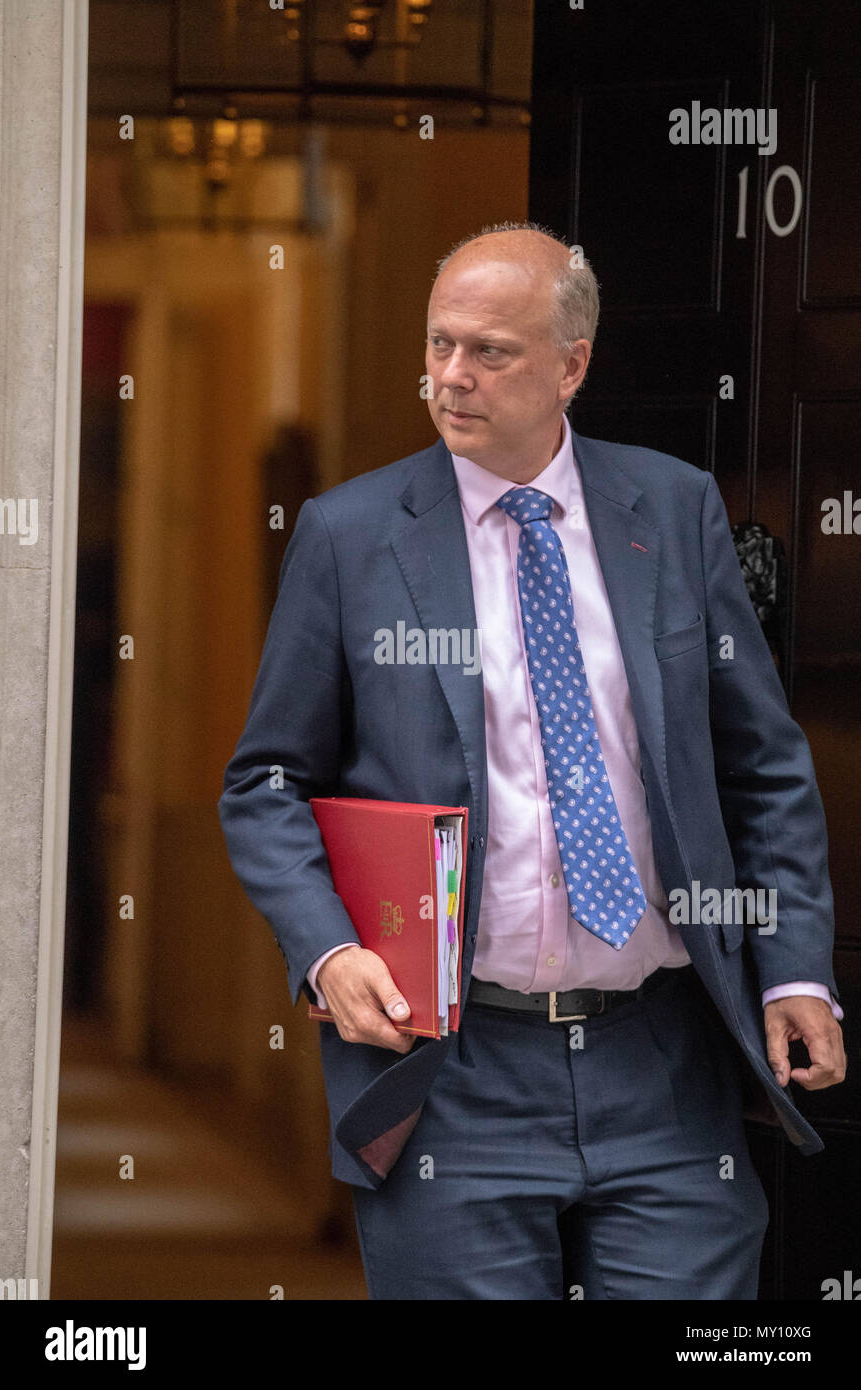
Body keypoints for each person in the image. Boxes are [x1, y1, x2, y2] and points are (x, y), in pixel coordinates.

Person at [218, 221, 846, 1300]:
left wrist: (791, 965)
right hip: (451, 1075)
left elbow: (761, 765)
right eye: (437, 345)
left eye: (488, 352)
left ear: (571, 364)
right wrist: (325, 951)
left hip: (666, 1060)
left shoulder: (673, 509)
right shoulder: (349, 536)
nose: (450, 378)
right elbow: (264, 784)